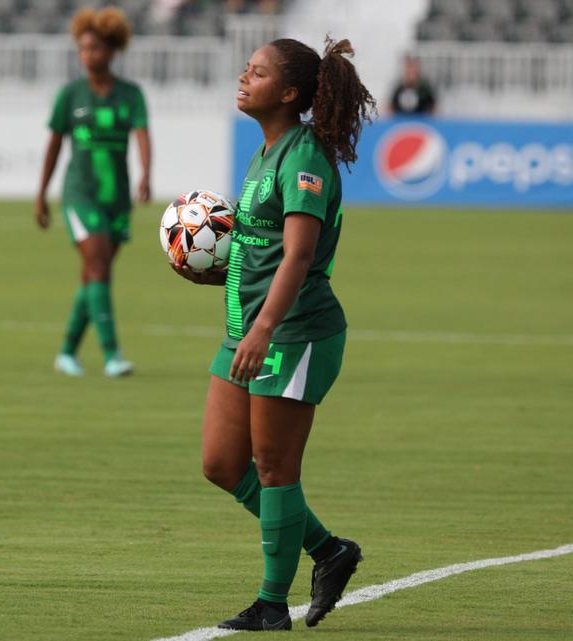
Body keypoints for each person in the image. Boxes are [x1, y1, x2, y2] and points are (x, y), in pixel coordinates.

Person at [171, 37, 375, 631]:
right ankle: (329, 550)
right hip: (250, 330)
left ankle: (270, 604)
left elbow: (299, 254)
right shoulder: (268, 151)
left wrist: (262, 328)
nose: (243, 76)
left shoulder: (305, 154)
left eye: (256, 72)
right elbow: (260, 251)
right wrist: (218, 277)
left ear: (288, 93)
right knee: (220, 461)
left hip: (294, 334)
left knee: (274, 466)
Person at [35, 6, 151, 378]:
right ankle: (112, 354)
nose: (88, 56)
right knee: (98, 265)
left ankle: (67, 351)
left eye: (96, 49)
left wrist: (146, 175)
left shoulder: (130, 94)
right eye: (83, 50)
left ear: (112, 50)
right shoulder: (70, 95)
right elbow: (53, 145)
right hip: (80, 193)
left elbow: (142, 135)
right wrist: (41, 193)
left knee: (94, 274)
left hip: (115, 196)